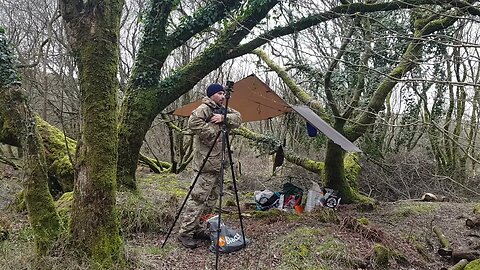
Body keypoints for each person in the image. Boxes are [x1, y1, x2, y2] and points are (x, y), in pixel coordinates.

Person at [177, 83, 242, 249]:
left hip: (219, 164)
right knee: (198, 198)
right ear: (212, 94)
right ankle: (185, 233)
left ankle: (198, 228)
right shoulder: (204, 108)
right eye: (219, 93)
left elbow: (239, 118)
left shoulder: (223, 109)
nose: (222, 96)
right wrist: (214, 129)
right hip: (205, 164)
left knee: (211, 201)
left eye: (223, 93)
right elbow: (193, 123)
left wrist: (224, 118)